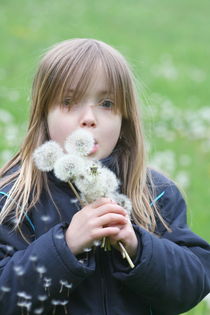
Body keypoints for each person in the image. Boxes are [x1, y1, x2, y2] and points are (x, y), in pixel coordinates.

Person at [0, 38, 209, 315]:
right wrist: (64, 247)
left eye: (107, 103)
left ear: (125, 120)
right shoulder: (14, 200)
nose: (89, 118)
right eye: (69, 101)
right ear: (43, 115)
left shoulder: (156, 194)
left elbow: (194, 283)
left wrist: (139, 246)